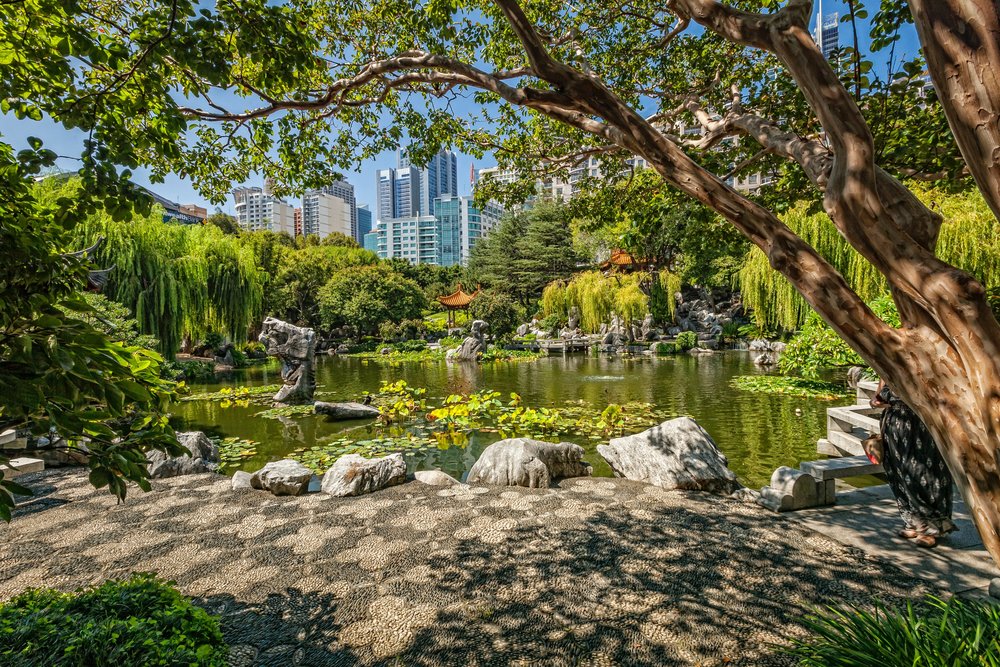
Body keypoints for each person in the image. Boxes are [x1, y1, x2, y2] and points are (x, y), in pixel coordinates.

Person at [870, 380, 957, 548]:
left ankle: (930, 528)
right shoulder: (885, 364)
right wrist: (875, 401)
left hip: (920, 426)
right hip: (893, 424)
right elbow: (878, 394)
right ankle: (913, 522)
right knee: (898, 474)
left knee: (922, 473)